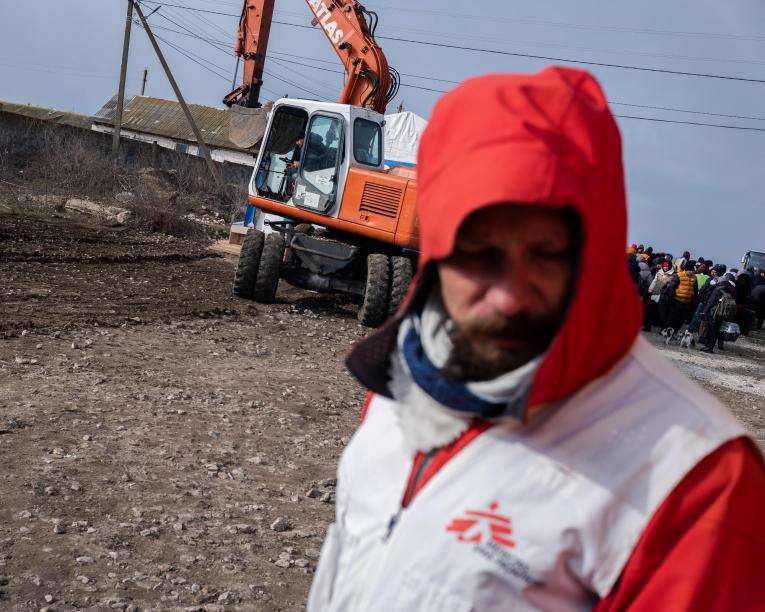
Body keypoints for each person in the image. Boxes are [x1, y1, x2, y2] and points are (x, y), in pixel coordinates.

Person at [308, 68, 765, 611]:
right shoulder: (405, 374)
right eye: (478, 252)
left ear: (594, 254)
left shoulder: (696, 487)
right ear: (435, 247)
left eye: (546, 253)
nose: (507, 297)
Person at [701, 272, 737, 353]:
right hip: (722, 313)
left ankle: (709, 348)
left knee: (711, 330)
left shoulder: (717, 289)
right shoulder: (730, 289)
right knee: (716, 330)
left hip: (714, 312)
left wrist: (704, 311)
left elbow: (711, 302)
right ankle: (710, 346)